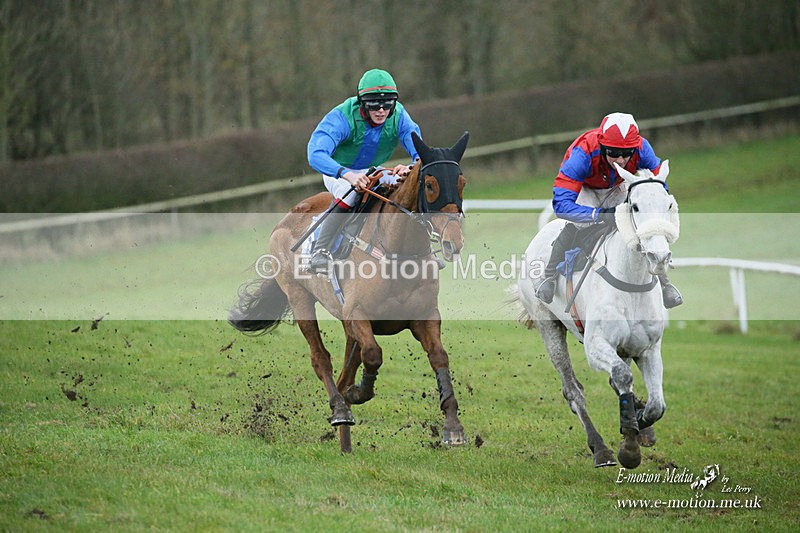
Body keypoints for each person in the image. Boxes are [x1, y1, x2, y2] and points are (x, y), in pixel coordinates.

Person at [535, 112, 683, 308]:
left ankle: (664, 282)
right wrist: (599, 215)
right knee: (579, 223)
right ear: (602, 146)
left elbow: (658, 187)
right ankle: (549, 276)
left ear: (634, 148)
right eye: (613, 152)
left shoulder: (642, 148)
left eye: (626, 153)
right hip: (586, 189)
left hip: (618, 186)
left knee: (638, 219)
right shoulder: (582, 153)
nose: (620, 160)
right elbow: (561, 205)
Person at [306, 68, 422, 274]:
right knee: (350, 194)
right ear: (362, 103)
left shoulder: (399, 115)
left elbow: (419, 150)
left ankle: (421, 251)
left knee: (407, 188)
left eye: (387, 104)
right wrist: (347, 175)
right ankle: (320, 250)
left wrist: (411, 167)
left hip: (373, 170)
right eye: (374, 104)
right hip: (339, 170)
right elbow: (315, 153)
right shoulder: (342, 117)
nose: (381, 110)